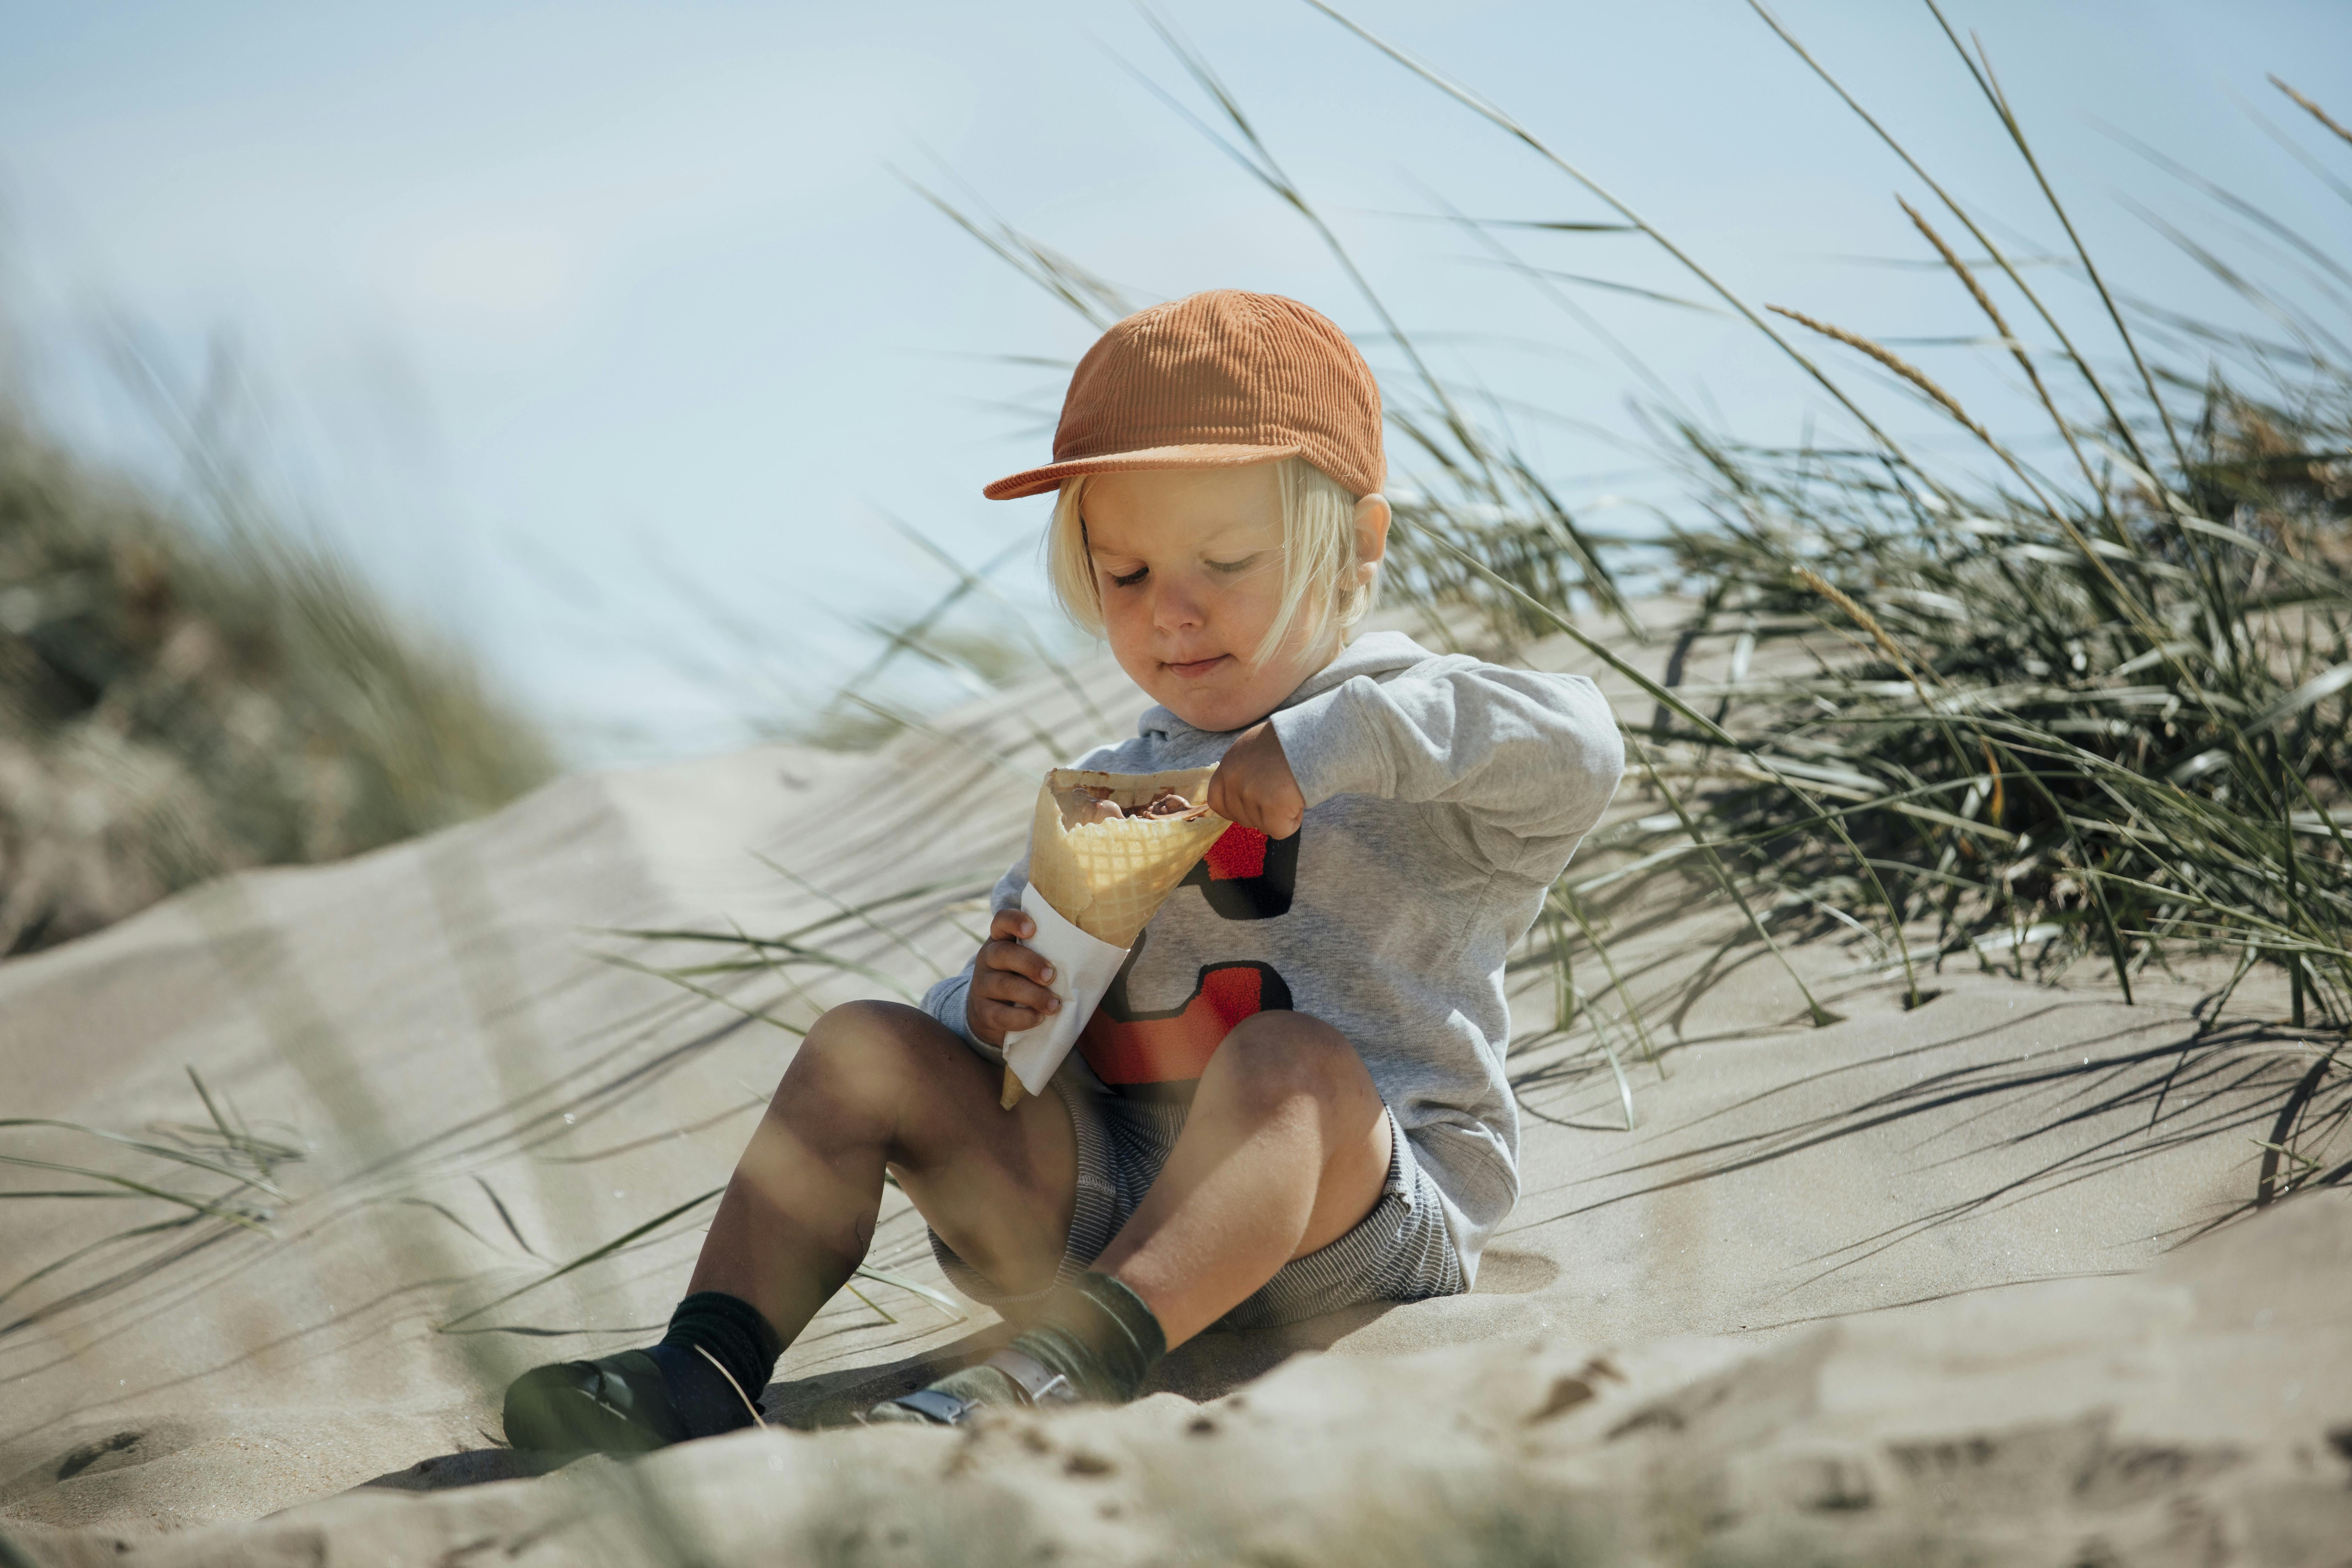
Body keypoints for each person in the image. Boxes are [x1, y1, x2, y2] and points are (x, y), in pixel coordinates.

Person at [502, 289, 1625, 1449]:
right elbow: (1020, 996)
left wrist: (1334, 744)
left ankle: (1065, 1369)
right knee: (867, 1045)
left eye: (1226, 561)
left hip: (1353, 1220)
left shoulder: (1416, 730)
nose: (1172, 614)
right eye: (1124, 575)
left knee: (1287, 1064)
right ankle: (706, 1366)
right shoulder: (1107, 788)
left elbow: (1582, 749)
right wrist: (985, 1013)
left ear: (1358, 547)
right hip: (1107, 1202)